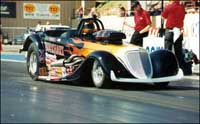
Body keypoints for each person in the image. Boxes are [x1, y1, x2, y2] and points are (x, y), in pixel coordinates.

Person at [161, 0, 186, 73]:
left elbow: (163, 16)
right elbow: (183, 17)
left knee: (168, 50)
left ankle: (167, 69)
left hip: (170, 30)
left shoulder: (168, 7)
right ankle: (180, 69)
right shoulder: (182, 7)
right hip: (178, 30)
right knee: (178, 51)